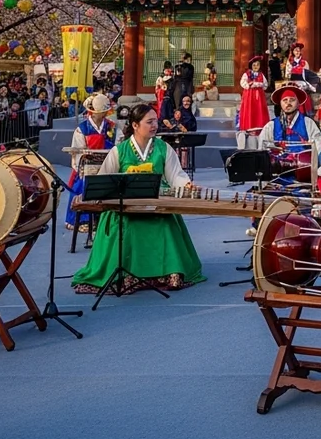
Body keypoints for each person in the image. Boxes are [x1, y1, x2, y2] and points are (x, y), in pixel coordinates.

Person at [71, 104, 206, 296]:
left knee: (165, 223)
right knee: (125, 226)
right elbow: (104, 179)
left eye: (155, 121)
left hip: (158, 205)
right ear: (135, 125)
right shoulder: (120, 150)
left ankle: (168, 273)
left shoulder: (163, 148)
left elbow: (175, 174)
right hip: (126, 207)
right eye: (149, 122)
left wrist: (186, 185)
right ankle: (125, 274)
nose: (154, 126)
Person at [66, 94, 115, 231]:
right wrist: (84, 160)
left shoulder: (111, 127)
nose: (104, 114)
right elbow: (77, 151)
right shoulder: (82, 129)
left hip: (109, 163)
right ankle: (83, 220)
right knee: (82, 185)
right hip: (87, 166)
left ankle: (107, 217)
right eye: (101, 112)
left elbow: (118, 144)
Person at [260, 82, 321, 185]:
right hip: (277, 181)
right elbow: (262, 152)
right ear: (280, 104)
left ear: (298, 103)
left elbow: (320, 148)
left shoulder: (308, 123)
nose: (288, 103)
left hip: (304, 178)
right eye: (285, 100)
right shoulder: (270, 126)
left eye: (292, 100)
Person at [238, 55, 271, 149]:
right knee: (249, 110)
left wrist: (258, 84)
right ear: (251, 66)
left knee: (259, 110)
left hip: (259, 96)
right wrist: (249, 85)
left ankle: (259, 128)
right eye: (254, 65)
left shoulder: (261, 75)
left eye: (257, 65)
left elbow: (265, 85)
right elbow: (243, 83)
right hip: (249, 96)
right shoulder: (247, 74)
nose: (256, 67)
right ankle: (249, 127)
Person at [286, 43, 313, 115]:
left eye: (299, 50)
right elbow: (287, 75)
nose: (297, 52)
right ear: (293, 52)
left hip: (302, 84)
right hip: (293, 83)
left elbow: (307, 75)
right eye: (295, 50)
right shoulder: (289, 62)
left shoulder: (305, 62)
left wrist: (305, 84)